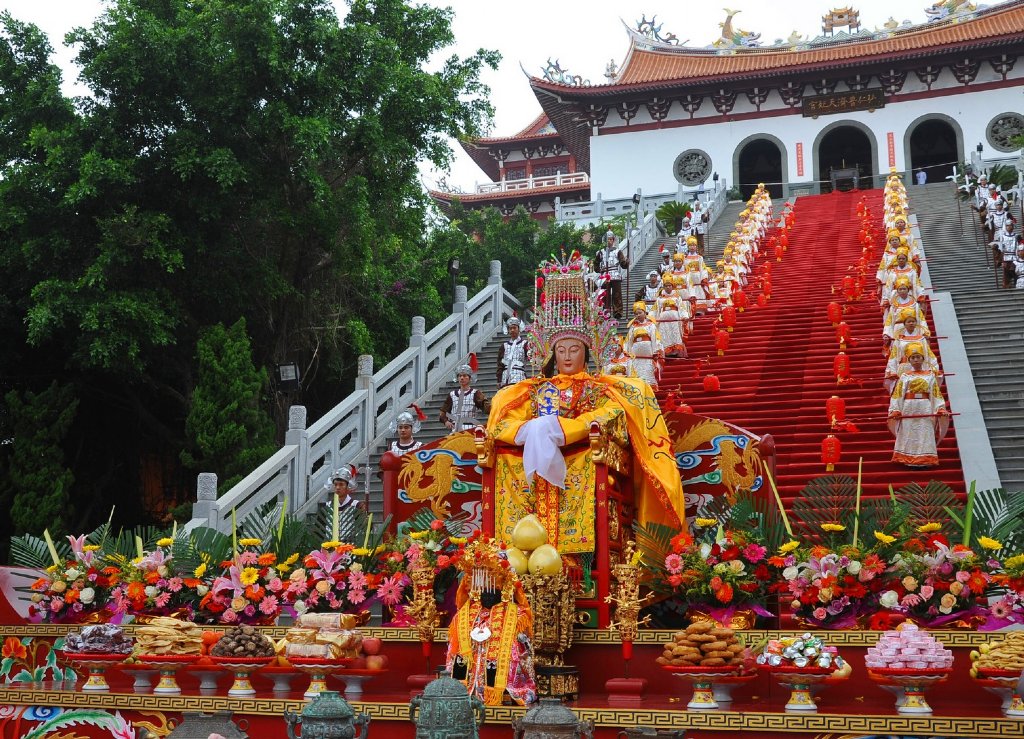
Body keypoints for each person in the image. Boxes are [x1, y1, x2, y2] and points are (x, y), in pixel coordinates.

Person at [485, 253, 687, 556]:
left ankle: (578, 555)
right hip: (536, 454)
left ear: (587, 353)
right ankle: (515, 551)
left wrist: (565, 429)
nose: (567, 357)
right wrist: (530, 430)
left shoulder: (599, 387)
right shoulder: (537, 390)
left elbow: (612, 414)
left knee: (588, 466)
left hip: (583, 451)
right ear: (551, 354)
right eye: (561, 350)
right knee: (506, 460)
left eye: (574, 350)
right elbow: (504, 420)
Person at [446, 538, 536, 706]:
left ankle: (497, 690)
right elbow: (453, 649)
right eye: (482, 587)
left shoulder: (516, 615)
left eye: (493, 587)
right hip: (467, 679)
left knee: (514, 649)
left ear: (503, 587)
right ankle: (463, 689)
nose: (487, 593)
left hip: (501, 680)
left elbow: (523, 654)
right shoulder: (463, 615)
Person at [888, 343, 950, 468]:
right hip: (908, 407)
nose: (916, 360)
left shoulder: (930, 375)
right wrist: (895, 409)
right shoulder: (905, 376)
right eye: (913, 358)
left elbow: (935, 393)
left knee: (925, 430)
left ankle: (926, 458)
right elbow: (898, 394)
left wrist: (940, 407)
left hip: (925, 406)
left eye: (918, 357)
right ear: (909, 360)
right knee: (908, 431)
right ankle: (907, 459)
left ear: (923, 358)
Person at [440, 360, 490, 433]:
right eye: (460, 376)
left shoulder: (476, 393)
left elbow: (487, 408)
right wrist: (446, 421)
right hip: (455, 428)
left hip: (471, 428)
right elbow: (443, 412)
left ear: (469, 378)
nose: (462, 378)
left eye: (464, 376)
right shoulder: (452, 394)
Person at [624, 301, 663, 388]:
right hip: (636, 357)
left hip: (648, 356)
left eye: (640, 313)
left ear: (645, 313)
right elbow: (628, 341)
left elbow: (655, 339)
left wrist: (655, 351)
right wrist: (626, 351)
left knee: (648, 371)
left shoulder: (651, 325)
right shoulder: (633, 327)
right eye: (636, 314)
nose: (638, 315)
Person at [596, 230, 628, 319]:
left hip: (615, 274)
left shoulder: (618, 251)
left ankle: (617, 311)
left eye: (610, 239)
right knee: (605, 294)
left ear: (613, 240)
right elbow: (596, 264)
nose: (609, 241)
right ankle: (605, 310)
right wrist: (600, 270)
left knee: (617, 294)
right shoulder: (600, 252)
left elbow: (623, 264)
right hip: (604, 275)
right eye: (607, 240)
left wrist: (626, 263)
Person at [497, 317, 530, 387]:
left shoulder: (525, 344)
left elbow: (532, 358)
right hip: (505, 377)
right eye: (510, 328)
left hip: (519, 375)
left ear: (519, 329)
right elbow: (500, 364)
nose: (512, 330)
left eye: (514, 328)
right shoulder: (504, 346)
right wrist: (499, 380)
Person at [992, 217, 1018, 289]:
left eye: (1010, 225)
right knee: (1006, 274)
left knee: (1016, 273)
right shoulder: (1002, 236)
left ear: (1013, 226)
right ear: (1005, 227)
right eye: (1007, 225)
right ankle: (1007, 285)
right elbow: (1000, 249)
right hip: (1006, 257)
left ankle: (1017, 285)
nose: (1009, 227)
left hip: (1015, 257)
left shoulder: (1016, 236)